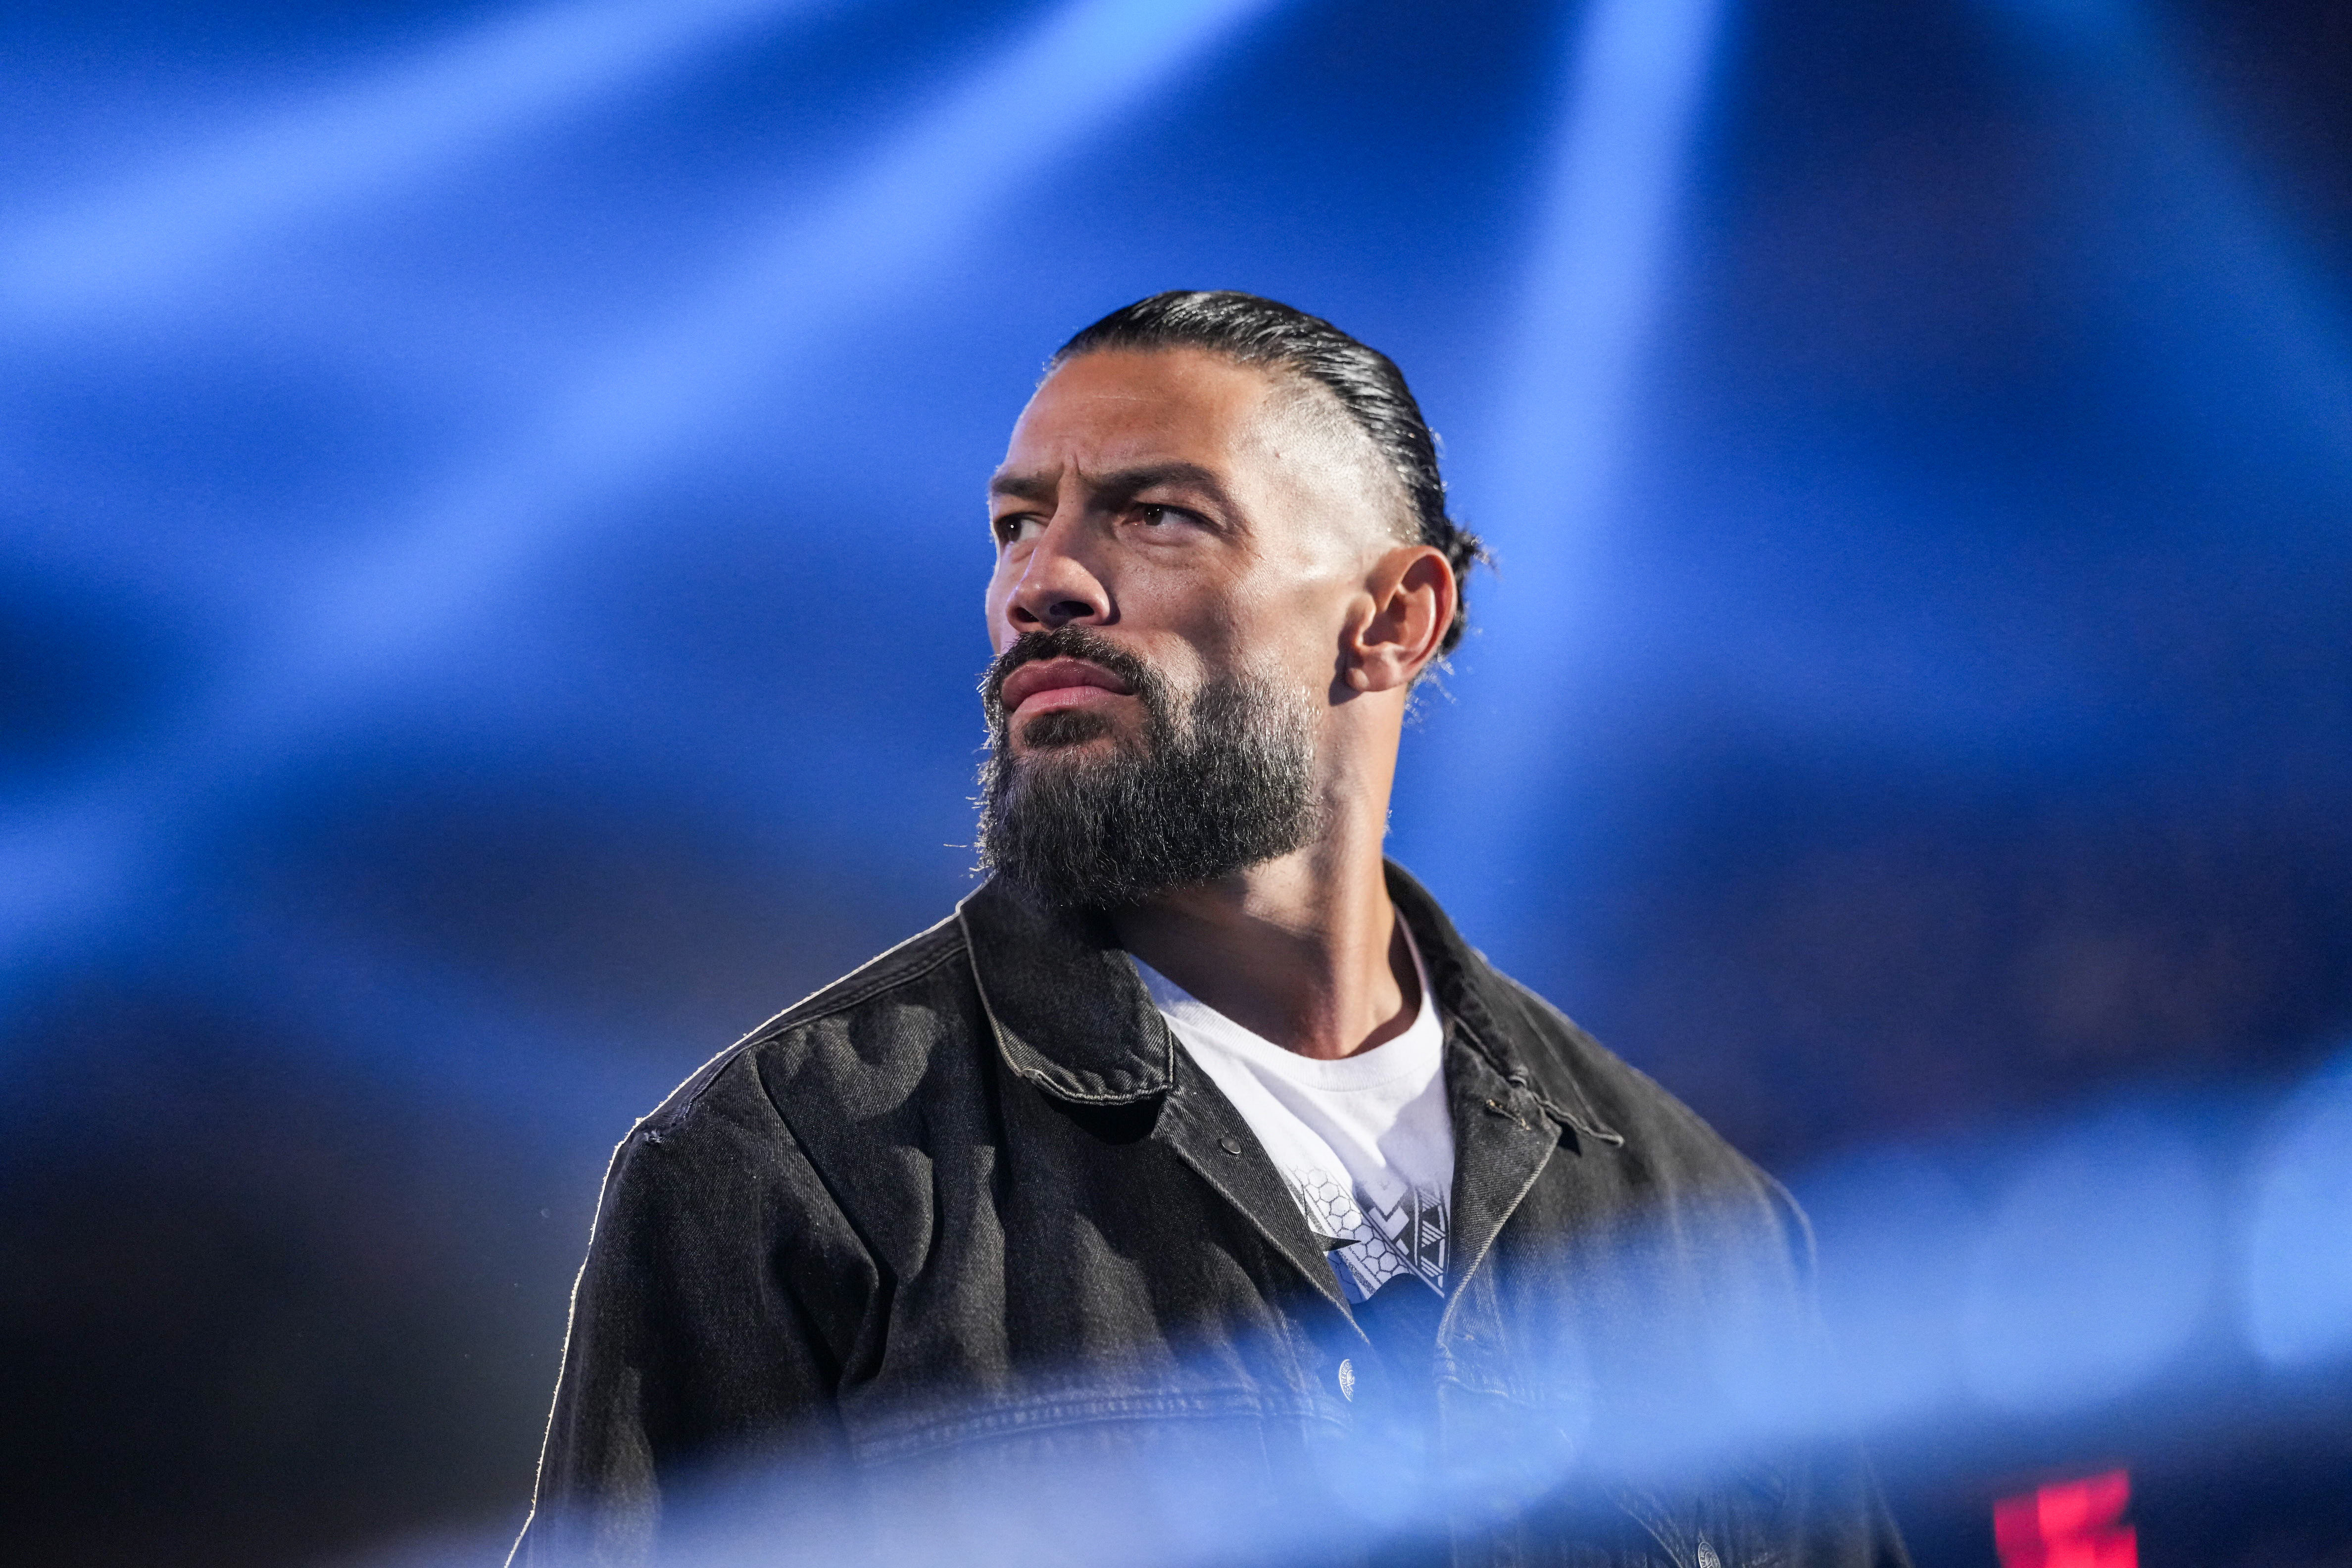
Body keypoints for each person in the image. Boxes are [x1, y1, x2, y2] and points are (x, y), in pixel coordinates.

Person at [510, 292, 1909, 1568]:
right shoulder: (792, 1170)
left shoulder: (1699, 1227)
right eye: (1016, 523)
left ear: (1395, 618)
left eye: (1155, 513)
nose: (1040, 581)